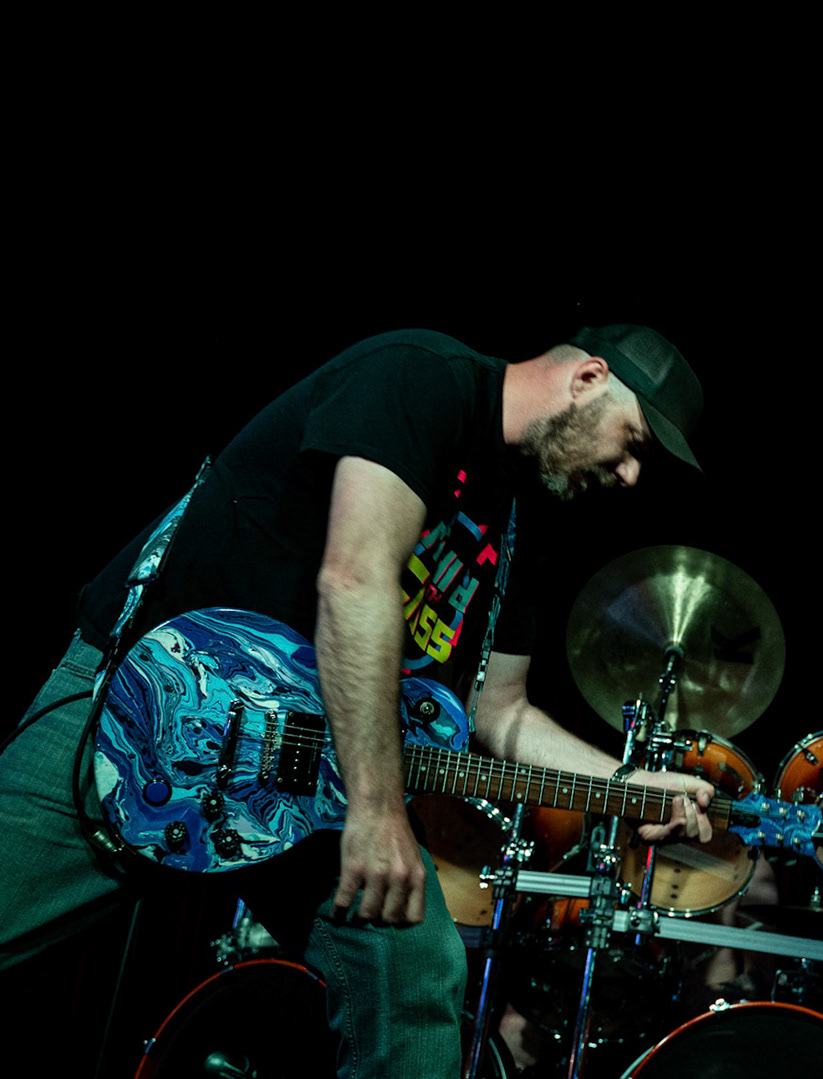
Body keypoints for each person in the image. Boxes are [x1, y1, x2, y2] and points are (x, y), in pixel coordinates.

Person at [0, 324, 718, 1078]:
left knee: (418, 972)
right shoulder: (425, 380)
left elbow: (499, 711)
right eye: (633, 442)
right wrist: (378, 812)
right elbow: (354, 578)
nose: (631, 475)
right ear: (588, 378)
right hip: (151, 703)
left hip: (309, 781)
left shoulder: (515, 526)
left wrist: (626, 781)